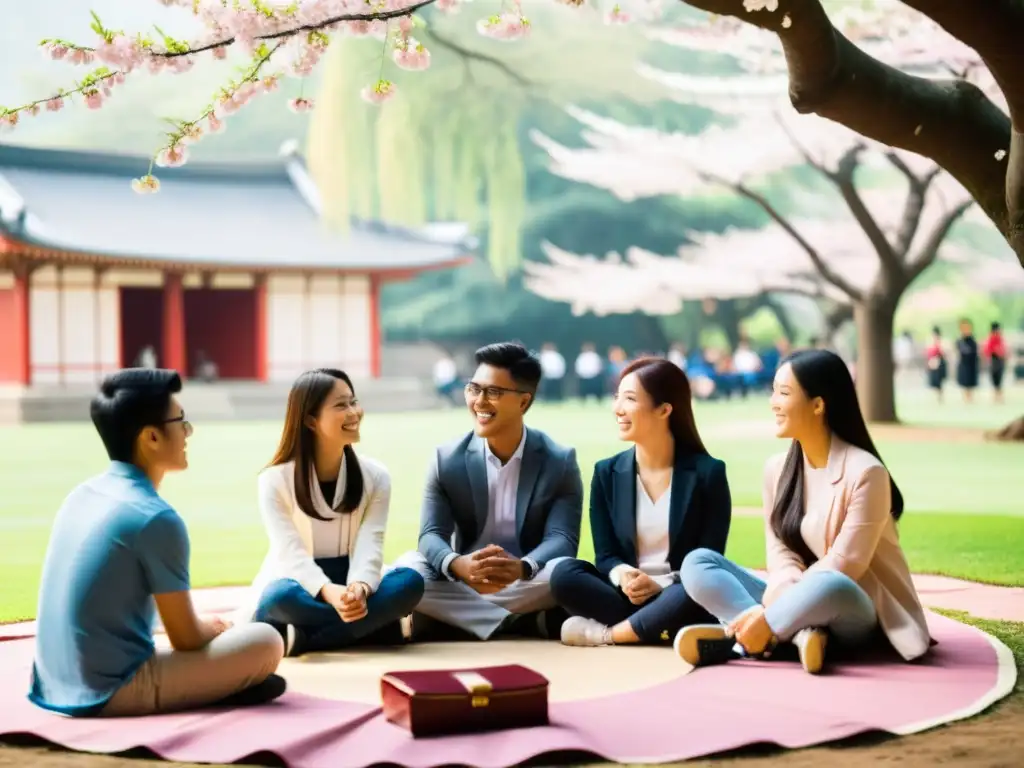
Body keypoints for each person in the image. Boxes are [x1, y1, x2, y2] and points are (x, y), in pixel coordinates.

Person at [29, 369, 285, 718]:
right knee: (266, 641)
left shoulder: (82, 493)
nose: (187, 431)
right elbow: (187, 639)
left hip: (51, 680)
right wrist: (213, 627)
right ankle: (223, 686)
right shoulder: (155, 518)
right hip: (108, 690)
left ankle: (224, 684)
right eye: (180, 421)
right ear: (151, 437)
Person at [676, 349, 930, 675]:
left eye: (783, 392)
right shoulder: (776, 469)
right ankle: (798, 636)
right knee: (697, 563)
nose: (773, 402)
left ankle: (750, 634)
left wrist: (773, 611)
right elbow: (779, 554)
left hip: (854, 605)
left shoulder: (867, 473)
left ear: (818, 404)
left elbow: (845, 566)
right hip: (791, 591)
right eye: (773, 391)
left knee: (829, 584)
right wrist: (787, 603)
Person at [394, 342, 584, 641]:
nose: (479, 401)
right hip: (462, 578)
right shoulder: (447, 459)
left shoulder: (558, 461)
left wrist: (521, 568)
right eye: (474, 389)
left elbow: (562, 539)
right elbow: (430, 535)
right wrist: (458, 564)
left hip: (527, 580)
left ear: (523, 402)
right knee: (405, 571)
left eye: (493, 392)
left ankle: (457, 620)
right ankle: (520, 623)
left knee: (568, 573)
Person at [550, 358, 732, 647]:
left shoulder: (708, 474)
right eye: (616, 397)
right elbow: (606, 556)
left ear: (664, 409)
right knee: (563, 574)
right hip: (625, 594)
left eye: (630, 399)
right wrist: (624, 577)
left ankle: (607, 634)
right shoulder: (606, 472)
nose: (617, 409)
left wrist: (659, 584)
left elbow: (707, 559)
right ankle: (655, 625)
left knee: (699, 587)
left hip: (679, 590)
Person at [242, 369, 424, 656]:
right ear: (311, 420)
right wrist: (328, 592)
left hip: (352, 579)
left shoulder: (376, 475)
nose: (354, 412)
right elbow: (290, 553)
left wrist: (359, 589)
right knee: (279, 597)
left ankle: (305, 638)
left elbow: (371, 543)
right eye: (341, 405)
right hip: (298, 585)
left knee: (410, 583)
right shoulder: (274, 480)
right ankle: (372, 627)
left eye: (354, 402)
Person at [982, 322, 1007, 404]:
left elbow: (1004, 351)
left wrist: (1000, 353)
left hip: (1000, 361)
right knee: (994, 378)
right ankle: (996, 396)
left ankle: (999, 396)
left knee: (999, 378)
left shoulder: (1000, 339)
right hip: (993, 361)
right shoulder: (990, 339)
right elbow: (987, 351)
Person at [956, 318, 979, 403]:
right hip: (964, 364)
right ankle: (966, 399)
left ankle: (970, 399)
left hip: (972, 364)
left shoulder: (972, 340)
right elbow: (960, 350)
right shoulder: (959, 340)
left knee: (970, 384)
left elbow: (974, 351)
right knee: (964, 383)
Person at [924, 326, 948, 402]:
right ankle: (938, 397)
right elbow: (928, 353)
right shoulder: (930, 343)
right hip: (932, 363)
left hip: (939, 363)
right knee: (934, 382)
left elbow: (944, 354)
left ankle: (940, 398)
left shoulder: (941, 343)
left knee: (939, 382)